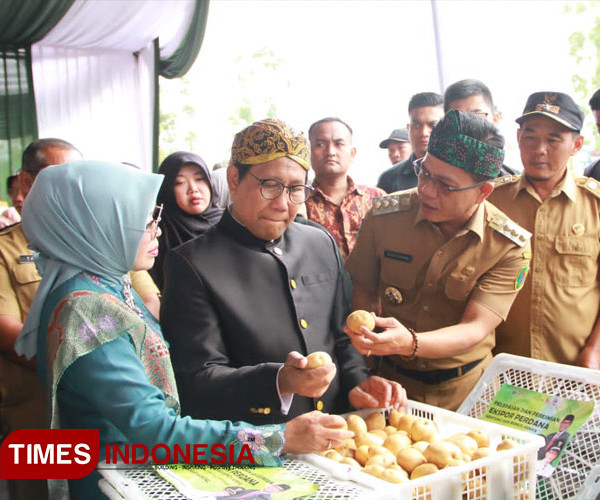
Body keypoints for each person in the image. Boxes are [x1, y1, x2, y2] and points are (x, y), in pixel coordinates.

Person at [14, 160, 355, 499]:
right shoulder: (87, 309)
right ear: (97, 225)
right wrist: (279, 438)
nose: (156, 229)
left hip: (146, 473)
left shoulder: (106, 283)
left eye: (155, 216)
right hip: (119, 483)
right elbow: (155, 429)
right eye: (144, 220)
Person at [161, 119, 406, 425]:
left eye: (295, 189)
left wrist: (358, 382)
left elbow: (341, 334)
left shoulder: (318, 242)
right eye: (270, 186)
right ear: (234, 179)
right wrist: (279, 381)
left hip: (338, 433)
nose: (282, 204)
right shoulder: (193, 263)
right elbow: (196, 378)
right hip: (261, 444)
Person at [0, 139, 161, 500]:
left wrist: (118, 353)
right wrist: (80, 357)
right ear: (28, 183)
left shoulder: (109, 259)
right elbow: (7, 328)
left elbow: (147, 303)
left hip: (117, 413)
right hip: (39, 412)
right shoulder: (82, 304)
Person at [345, 110, 531, 411]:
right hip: (391, 385)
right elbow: (364, 289)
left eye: (446, 185)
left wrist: (410, 343)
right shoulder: (384, 218)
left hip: (468, 392)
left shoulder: (508, 246)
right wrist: (365, 345)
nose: (427, 190)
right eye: (425, 172)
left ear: (483, 191)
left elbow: (474, 328)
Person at [488, 92, 600, 371]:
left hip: (582, 366)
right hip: (507, 365)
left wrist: (595, 349)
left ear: (577, 145)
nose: (539, 149)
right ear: (518, 138)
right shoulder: (493, 201)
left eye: (553, 139)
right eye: (530, 137)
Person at [305, 117, 386, 259]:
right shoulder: (299, 202)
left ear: (352, 153)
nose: (330, 152)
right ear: (308, 152)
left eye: (339, 144)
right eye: (320, 144)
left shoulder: (377, 198)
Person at [149, 151, 223, 289]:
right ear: (167, 190)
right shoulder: (156, 232)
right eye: (179, 182)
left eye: (200, 179)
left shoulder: (230, 224)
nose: (193, 189)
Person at [443, 78, 519, 177]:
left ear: (495, 119)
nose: (469, 126)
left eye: (477, 116)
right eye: (460, 119)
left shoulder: (515, 182)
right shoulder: (434, 182)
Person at [377, 92, 444, 193]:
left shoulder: (464, 171)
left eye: (433, 125)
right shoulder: (388, 179)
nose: (424, 133)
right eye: (416, 125)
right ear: (408, 129)